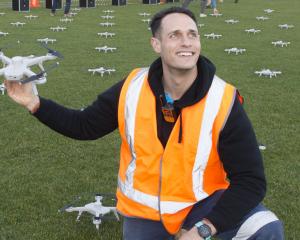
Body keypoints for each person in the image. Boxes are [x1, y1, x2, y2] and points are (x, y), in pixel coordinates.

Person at [5, 7, 284, 240]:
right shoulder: (132, 87)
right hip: (145, 212)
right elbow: (84, 125)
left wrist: (205, 228)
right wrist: (35, 104)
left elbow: (251, 180)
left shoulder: (223, 99)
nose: (186, 42)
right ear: (156, 44)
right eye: (175, 35)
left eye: (192, 34)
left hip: (201, 203)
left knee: (268, 228)